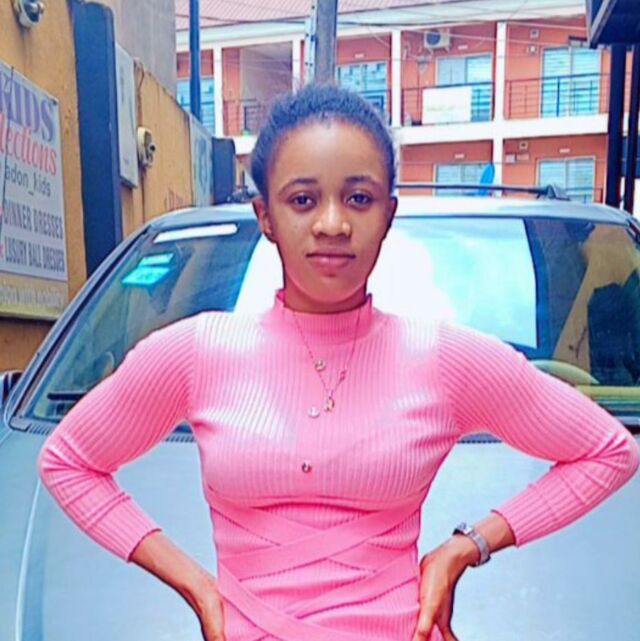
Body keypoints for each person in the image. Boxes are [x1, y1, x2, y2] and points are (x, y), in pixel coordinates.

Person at [37, 84, 640, 641]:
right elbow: (68, 461)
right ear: (266, 217)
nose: (332, 224)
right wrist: (196, 585)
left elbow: (608, 450)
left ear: (388, 213)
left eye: (359, 198)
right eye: (303, 199)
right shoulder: (196, 352)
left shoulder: (446, 358)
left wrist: (467, 546)